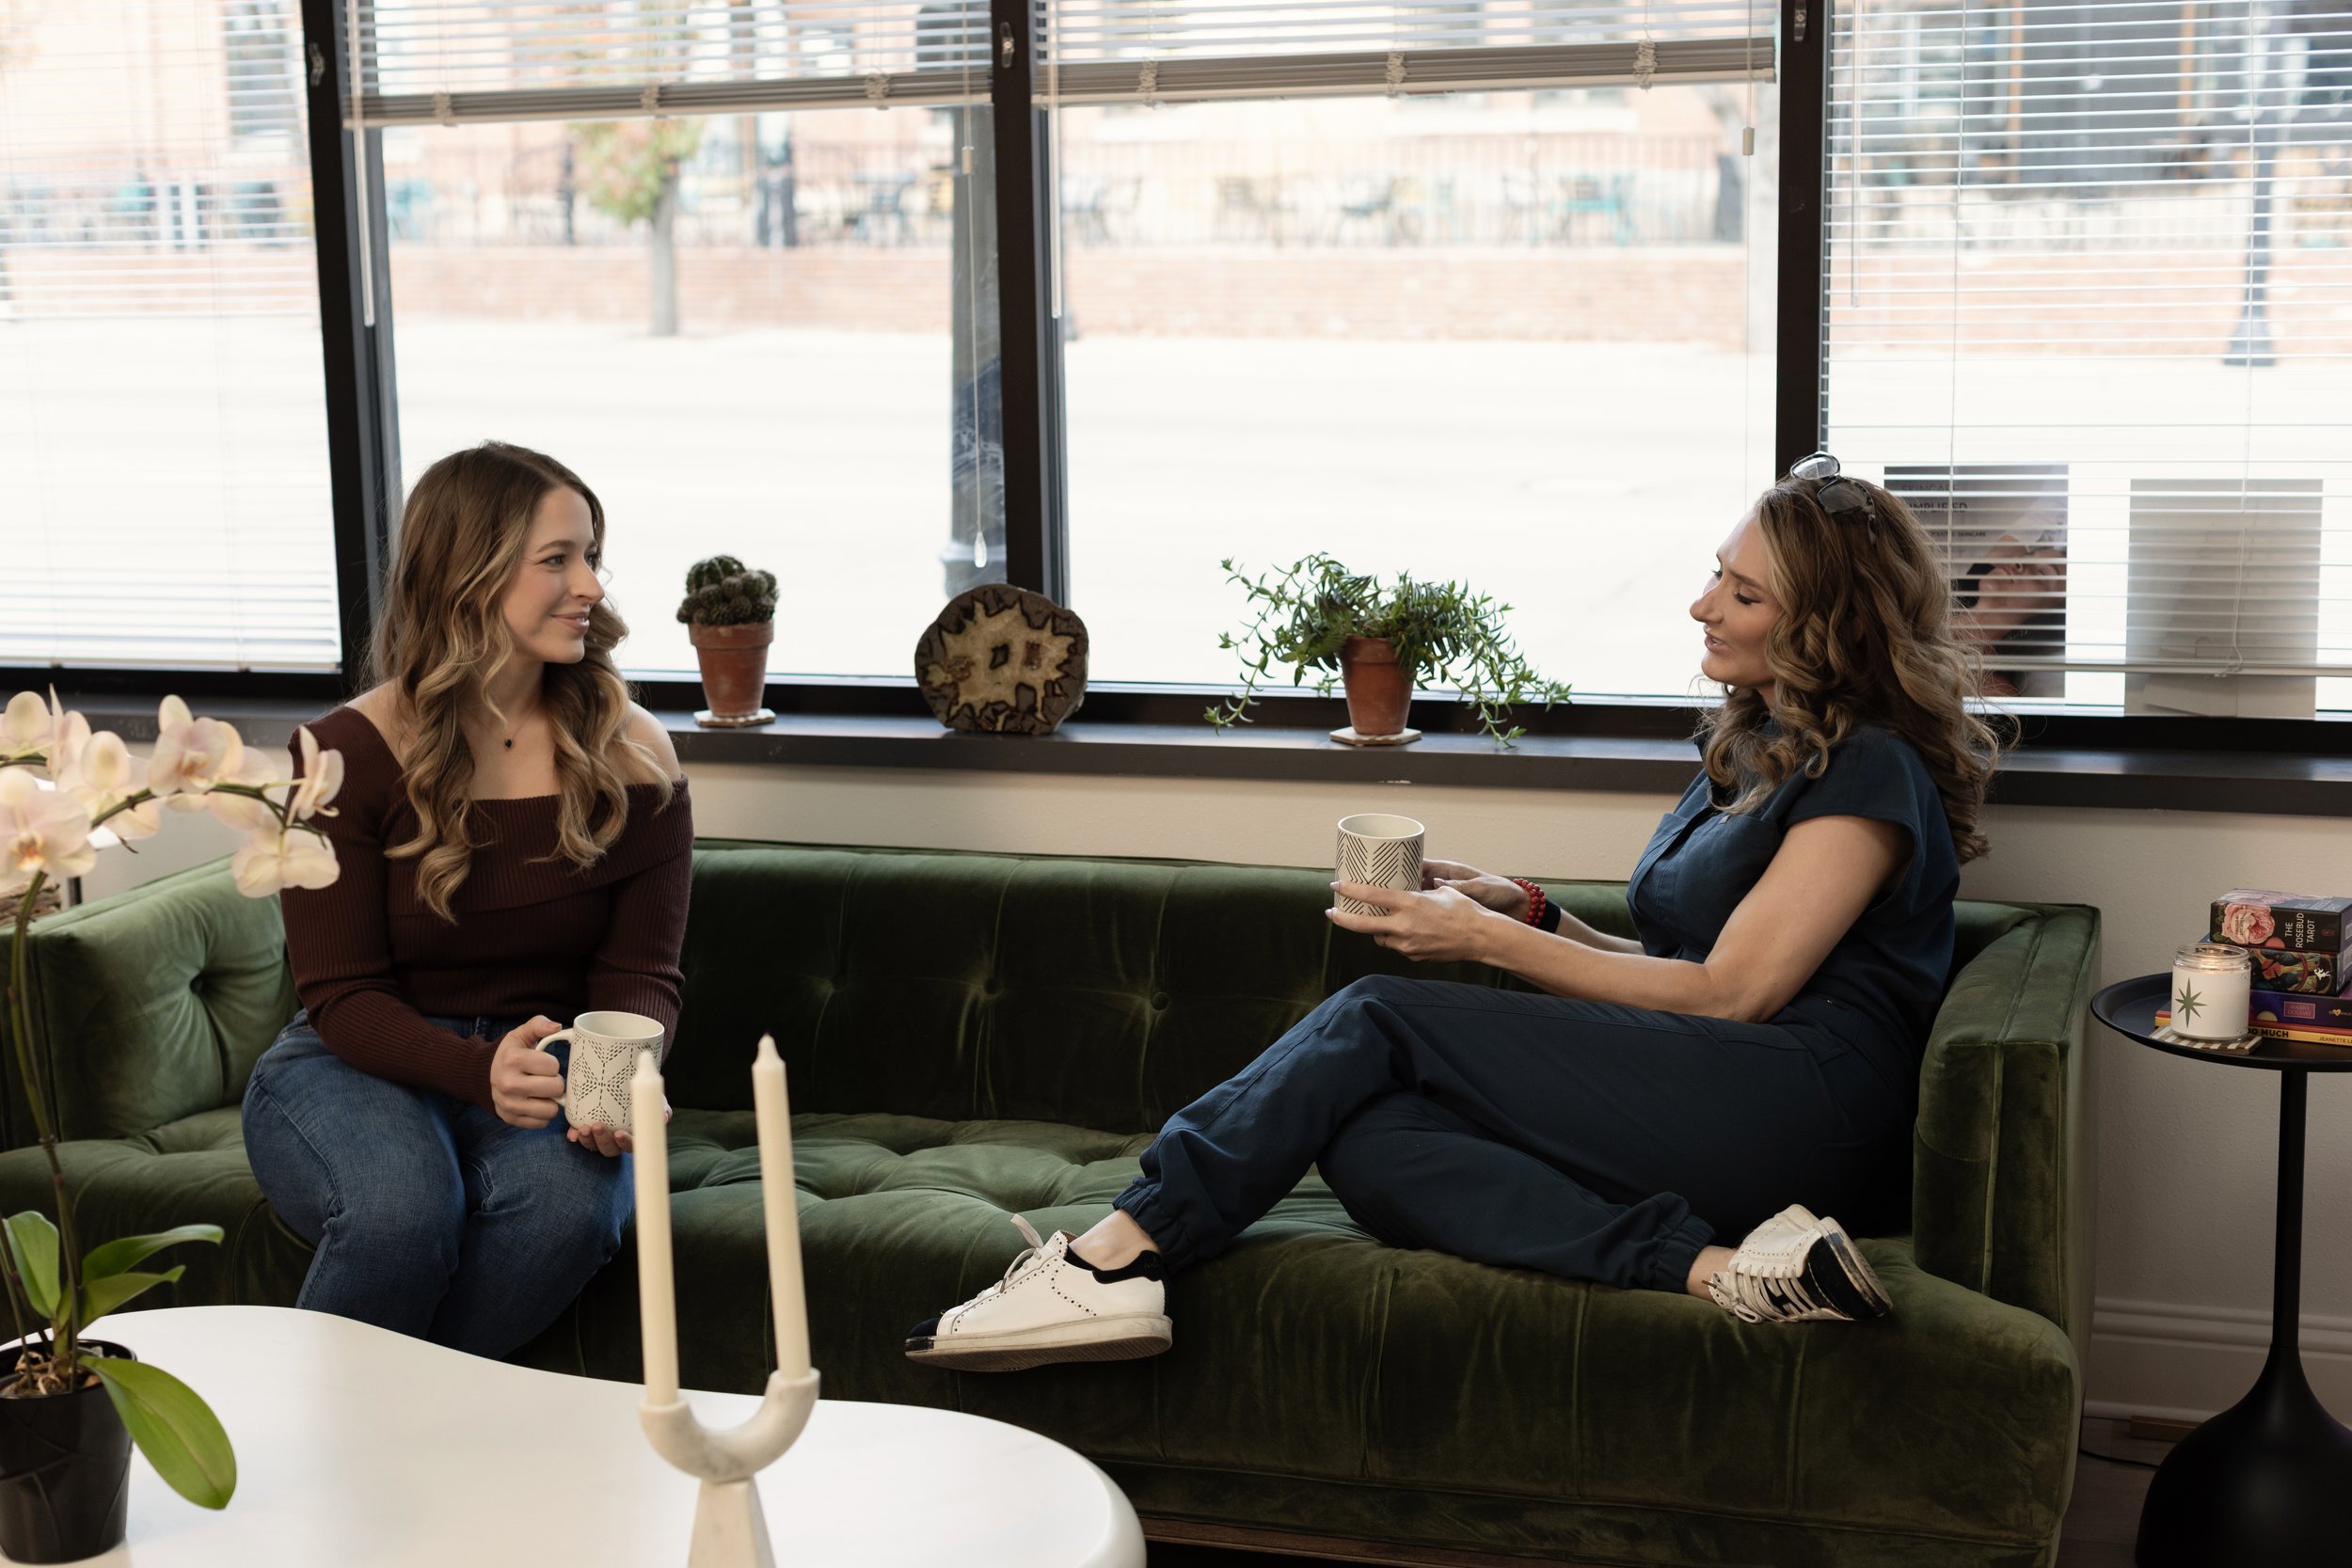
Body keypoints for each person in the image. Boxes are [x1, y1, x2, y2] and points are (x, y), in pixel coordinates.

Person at [907, 453, 1999, 1370]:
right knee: (1367, 1135)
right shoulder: (1758, 744)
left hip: (1811, 1106)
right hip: (1727, 1078)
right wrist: (1530, 908)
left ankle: (1116, 1256)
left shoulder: (1870, 769)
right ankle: (1721, 1268)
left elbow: (1731, 993)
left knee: (1378, 1014)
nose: (1703, 603)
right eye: (1717, 573)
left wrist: (1484, 939)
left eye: (1743, 592)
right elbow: (1680, 964)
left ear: (1826, 626)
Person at [243, 441, 692, 1358]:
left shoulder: (636, 752)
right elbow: (340, 993)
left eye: (591, 556)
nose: (590, 586)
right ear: (469, 575)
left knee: (568, 1213)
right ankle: (333, 1428)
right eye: (557, 559)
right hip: (355, 1058)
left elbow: (641, 970)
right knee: (401, 1212)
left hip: (545, 1065)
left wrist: (613, 1088)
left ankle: (402, 1426)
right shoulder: (340, 756)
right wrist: (475, 1068)